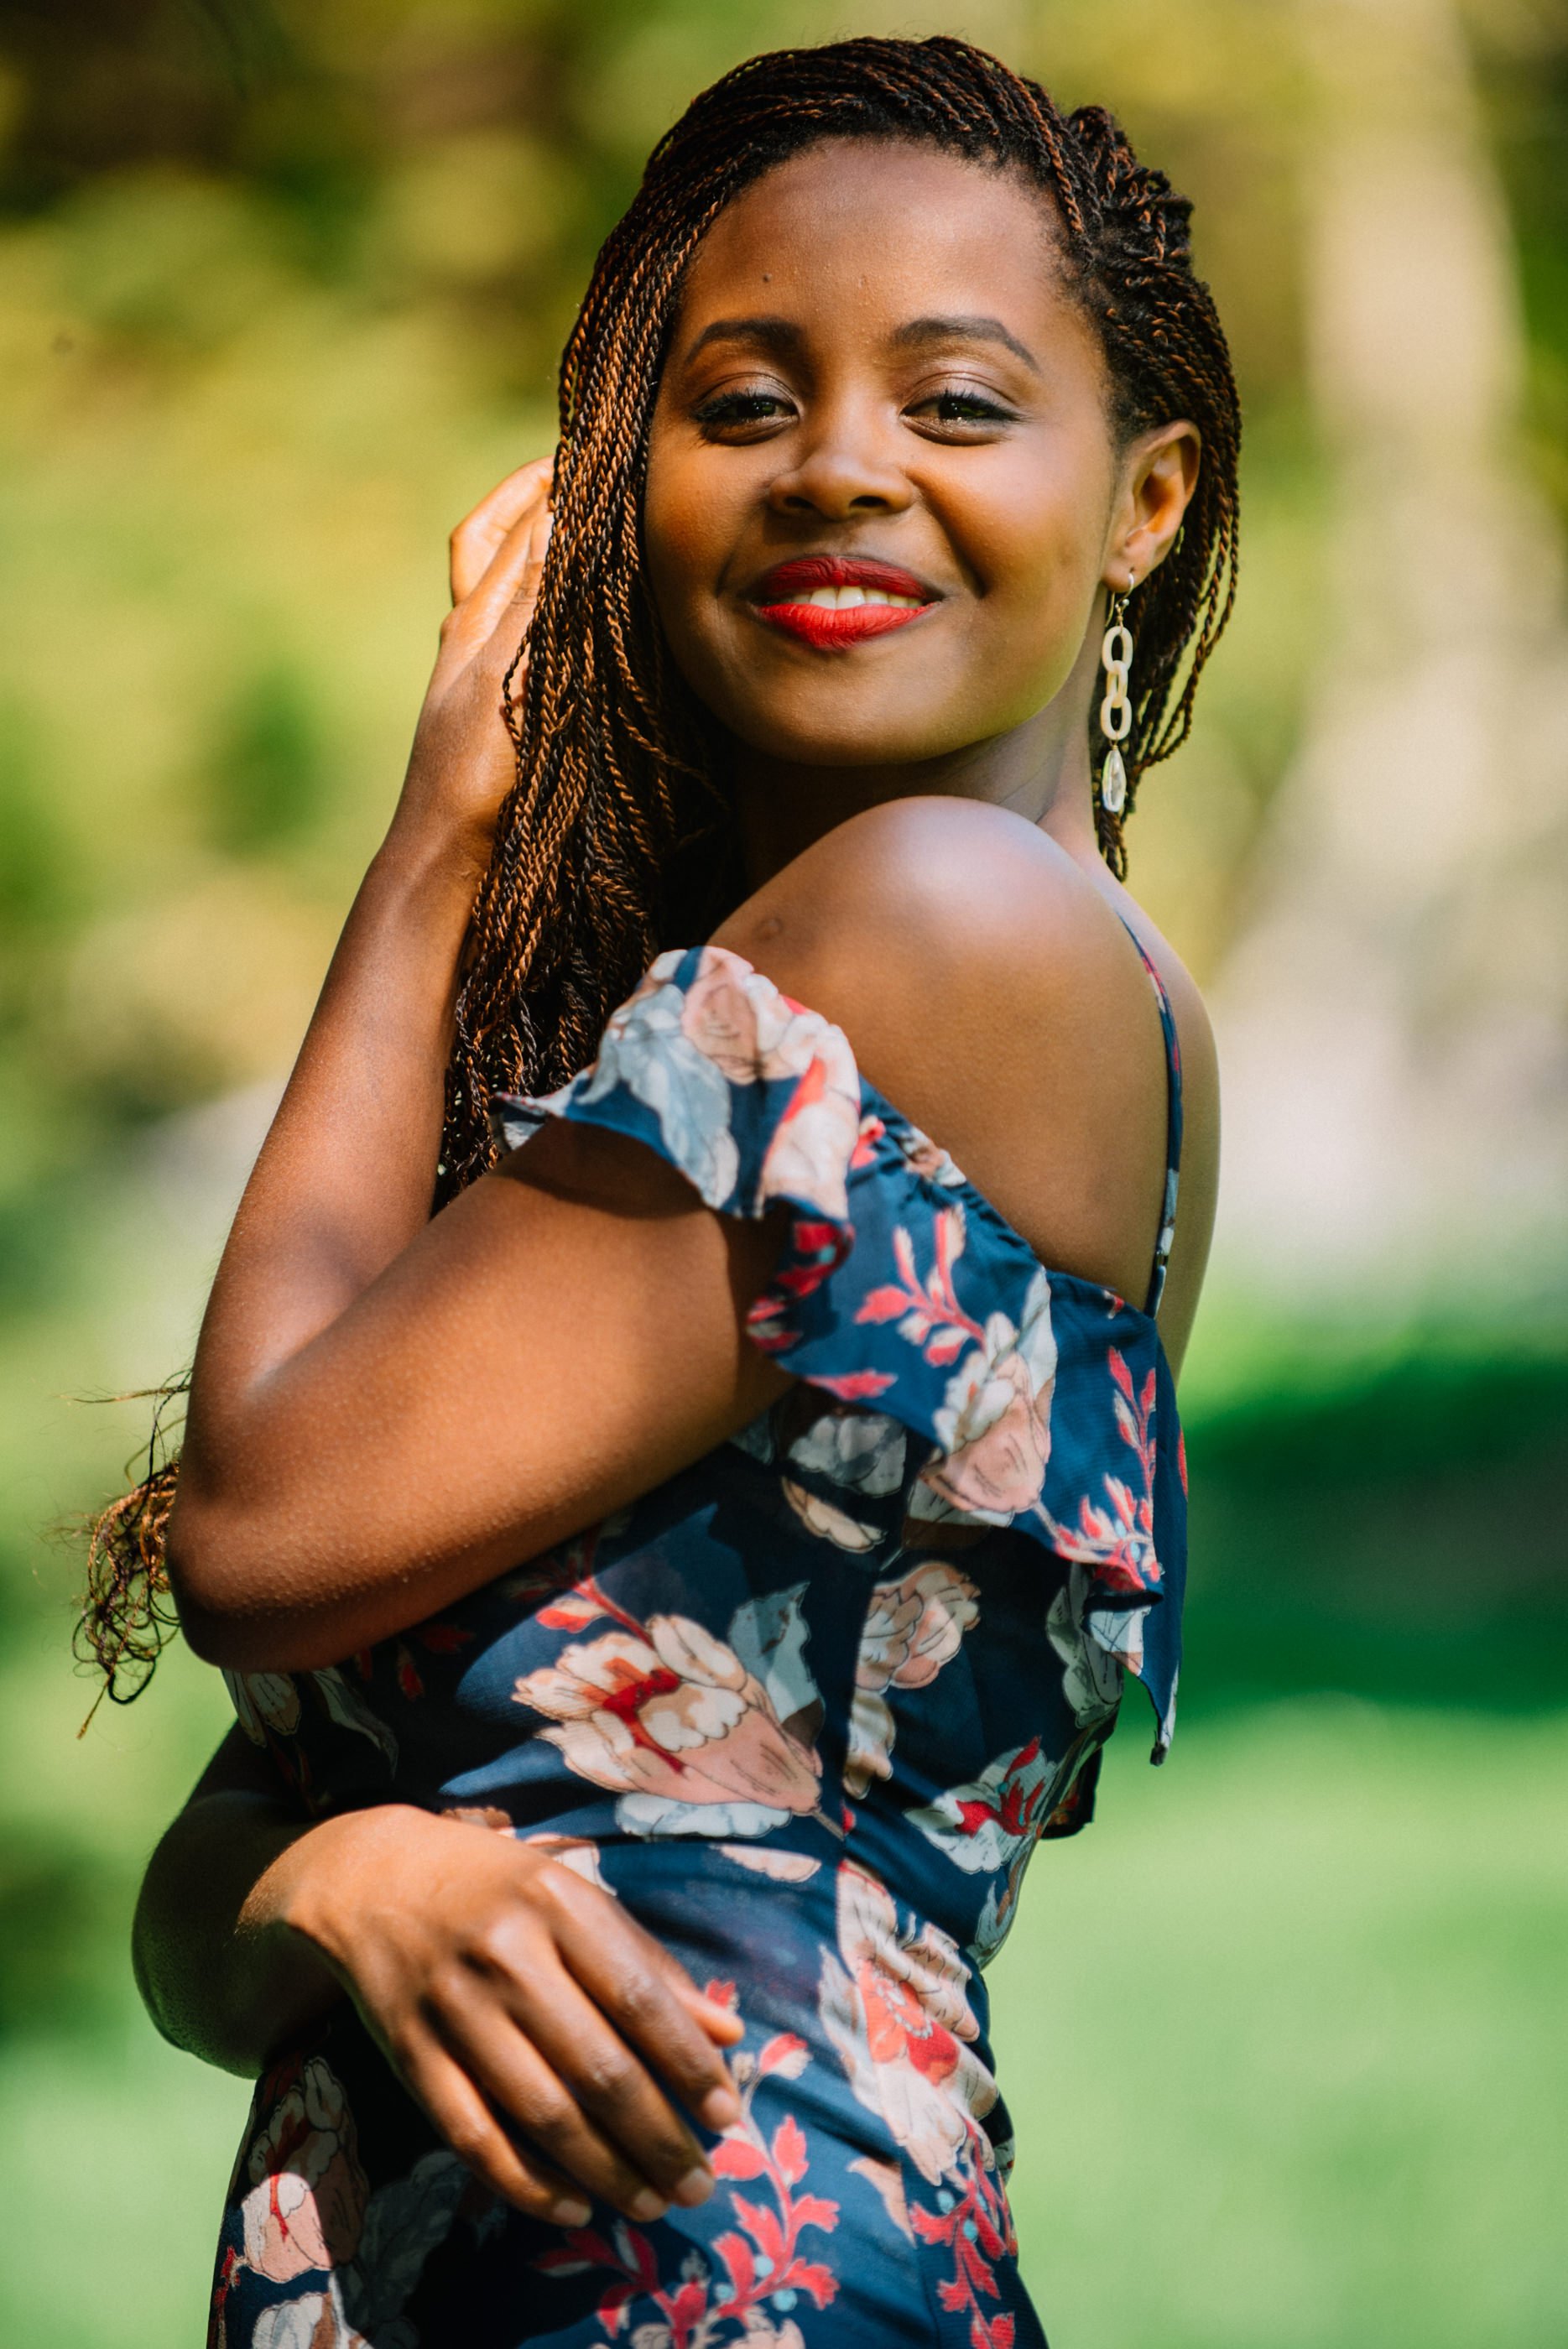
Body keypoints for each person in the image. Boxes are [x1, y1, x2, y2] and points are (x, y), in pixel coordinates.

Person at [107, 34, 1236, 2349]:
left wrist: (435, 836)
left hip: (719, 2272)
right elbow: (207, 1896)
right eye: (744, 402)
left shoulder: (946, 931)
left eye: (954, 403)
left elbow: (256, 1535)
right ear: (626, 480)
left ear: (1143, 500)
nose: (841, 468)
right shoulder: (812, 1026)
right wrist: (355, 1877)